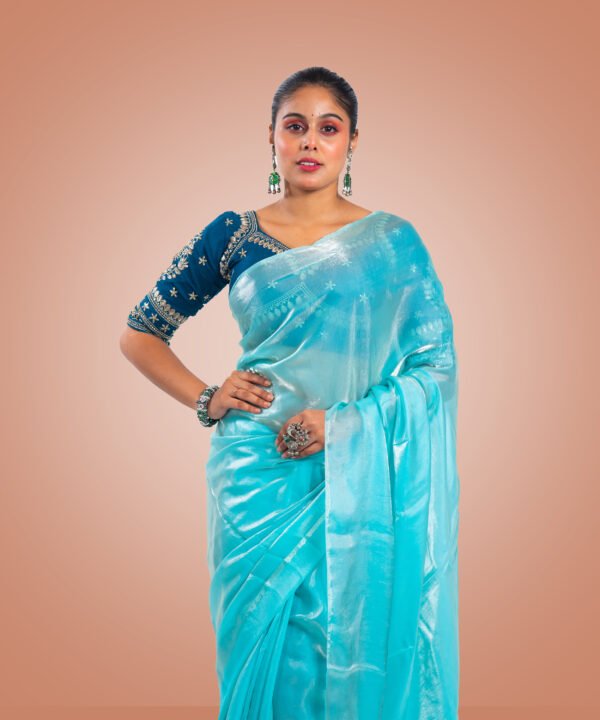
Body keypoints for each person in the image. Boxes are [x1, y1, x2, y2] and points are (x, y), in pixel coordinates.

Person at [120, 66, 461, 720]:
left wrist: (346, 425)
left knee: (346, 641)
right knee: (265, 655)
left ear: (352, 142)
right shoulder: (233, 234)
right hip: (255, 475)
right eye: (294, 126)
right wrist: (207, 397)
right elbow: (140, 333)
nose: (310, 141)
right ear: (272, 137)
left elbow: (435, 365)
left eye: (328, 128)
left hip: (353, 472)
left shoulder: (393, 243)